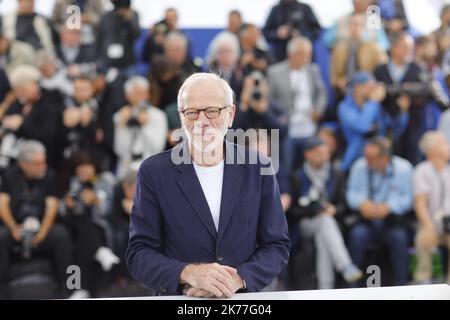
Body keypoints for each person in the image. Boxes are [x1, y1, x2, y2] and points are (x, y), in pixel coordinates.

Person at [126, 73, 290, 297]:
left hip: (242, 300)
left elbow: (276, 245)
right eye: (191, 112)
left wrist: (237, 279)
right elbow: (139, 253)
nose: (201, 122)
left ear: (230, 114)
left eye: (212, 111)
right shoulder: (153, 172)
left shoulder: (258, 166)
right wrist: (188, 273)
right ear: (181, 117)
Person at [0, 141, 72, 298]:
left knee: (62, 235)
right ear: (24, 164)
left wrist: (43, 232)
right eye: (38, 163)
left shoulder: (49, 175)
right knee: (1, 237)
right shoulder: (10, 175)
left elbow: (52, 205)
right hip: (15, 228)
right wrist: (13, 227)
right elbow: (2, 202)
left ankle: (70, 289)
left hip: (42, 228)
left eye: (44, 161)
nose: (43, 166)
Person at [289, 137, 362, 289]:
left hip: (330, 224)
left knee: (323, 235)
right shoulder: (298, 176)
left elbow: (343, 205)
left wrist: (334, 209)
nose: (324, 157)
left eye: (326, 153)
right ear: (307, 154)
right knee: (324, 222)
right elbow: (292, 211)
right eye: (319, 153)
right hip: (306, 223)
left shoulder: (336, 174)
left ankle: (325, 287)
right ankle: (344, 264)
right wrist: (312, 210)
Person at [346, 137, 413, 286]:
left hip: (391, 221)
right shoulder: (359, 166)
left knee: (400, 238)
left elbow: (408, 198)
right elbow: (351, 193)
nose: (367, 161)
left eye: (371, 158)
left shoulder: (404, 168)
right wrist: (362, 204)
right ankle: (351, 287)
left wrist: (390, 206)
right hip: (366, 220)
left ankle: (401, 287)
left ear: (385, 158)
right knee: (356, 235)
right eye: (366, 156)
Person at [412, 131, 450, 284]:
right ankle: (423, 282)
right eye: (445, 144)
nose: (448, 147)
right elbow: (420, 203)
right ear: (432, 150)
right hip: (430, 223)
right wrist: (429, 227)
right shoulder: (422, 170)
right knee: (423, 239)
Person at [113, 76, 168, 179]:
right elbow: (119, 149)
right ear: (127, 96)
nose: (140, 97)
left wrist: (145, 126)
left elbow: (157, 148)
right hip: (126, 167)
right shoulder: (120, 116)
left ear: (148, 94)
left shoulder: (158, 116)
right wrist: (122, 126)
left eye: (143, 93)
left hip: (150, 167)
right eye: (136, 93)